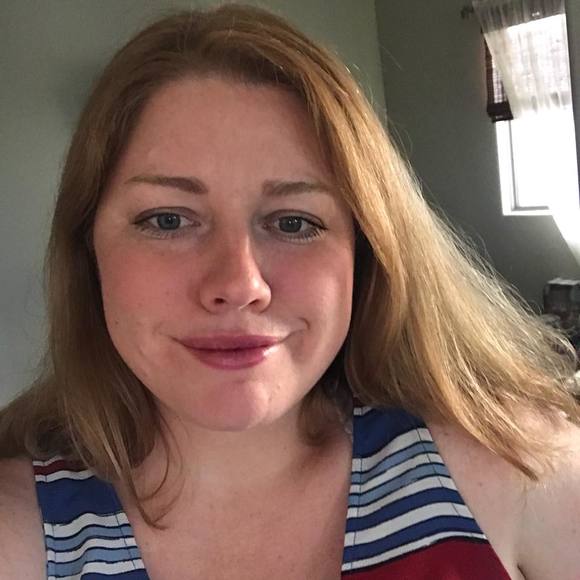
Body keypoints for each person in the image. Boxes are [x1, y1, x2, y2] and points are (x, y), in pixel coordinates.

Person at [0, 4, 579, 579]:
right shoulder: (17, 529)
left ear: (365, 253)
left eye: (294, 222)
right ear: (88, 250)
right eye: (168, 220)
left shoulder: (527, 468)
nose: (239, 285)